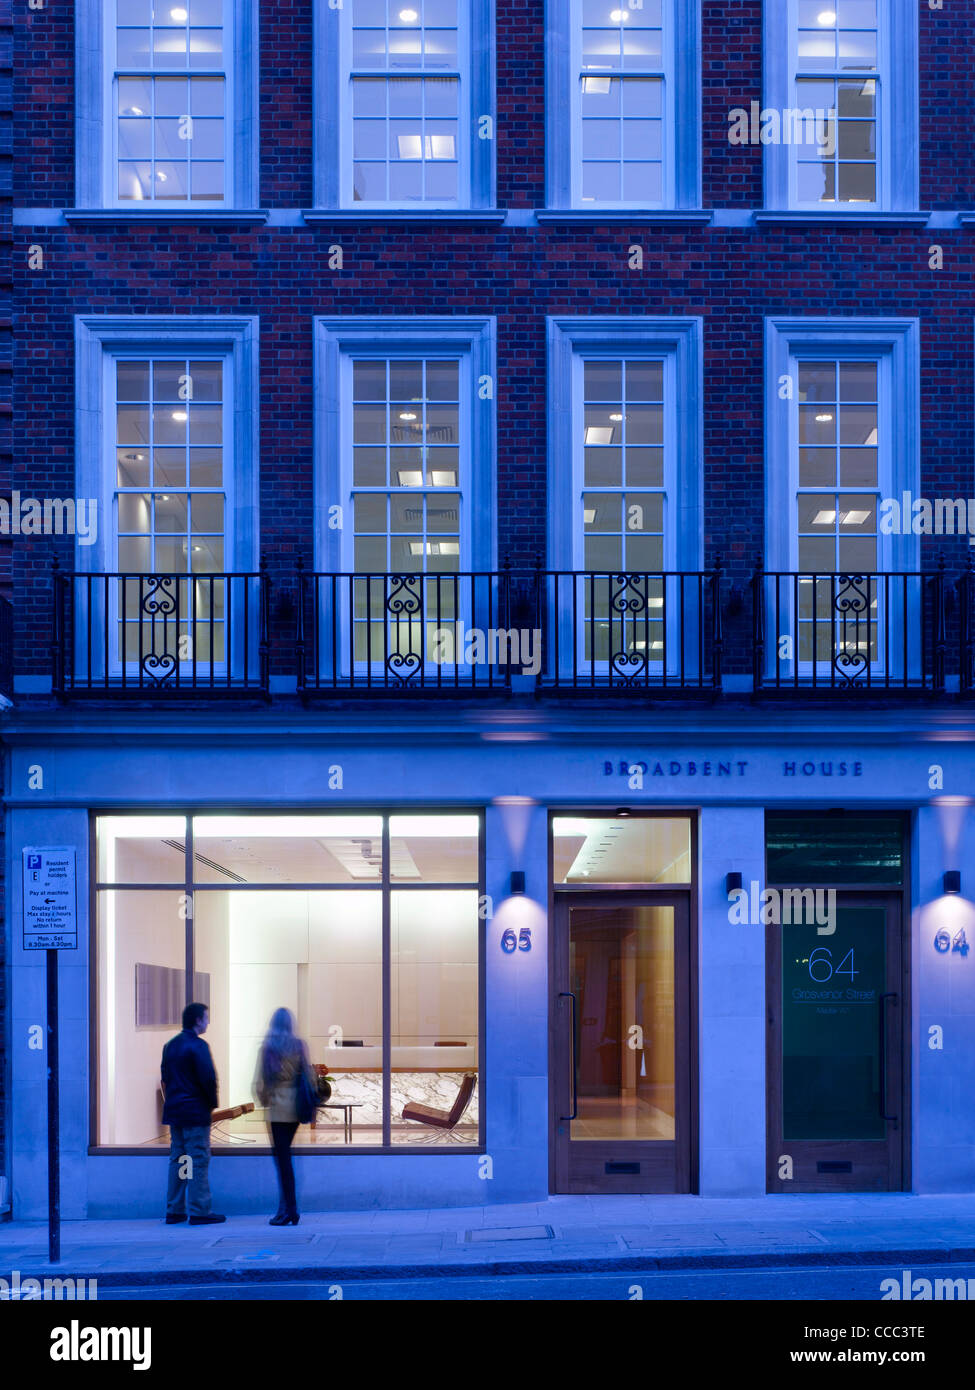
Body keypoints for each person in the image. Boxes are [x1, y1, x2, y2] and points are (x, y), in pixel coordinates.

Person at [161, 1002, 226, 1226]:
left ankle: (174, 1209)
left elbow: (166, 1078)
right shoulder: (199, 1046)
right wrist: (211, 1104)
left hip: (175, 1111)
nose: (208, 1021)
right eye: (206, 1017)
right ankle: (199, 1210)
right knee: (197, 1160)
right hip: (195, 1112)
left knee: (178, 1160)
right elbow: (208, 1079)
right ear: (198, 1020)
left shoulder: (170, 1045)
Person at [254, 1007, 314, 1226]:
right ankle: (289, 1209)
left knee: (282, 1161)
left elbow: (260, 1083)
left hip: (277, 1109)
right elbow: (309, 1076)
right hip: (296, 1109)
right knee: (286, 1160)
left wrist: (265, 1100)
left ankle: (289, 1210)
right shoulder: (299, 1046)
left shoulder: (268, 1048)